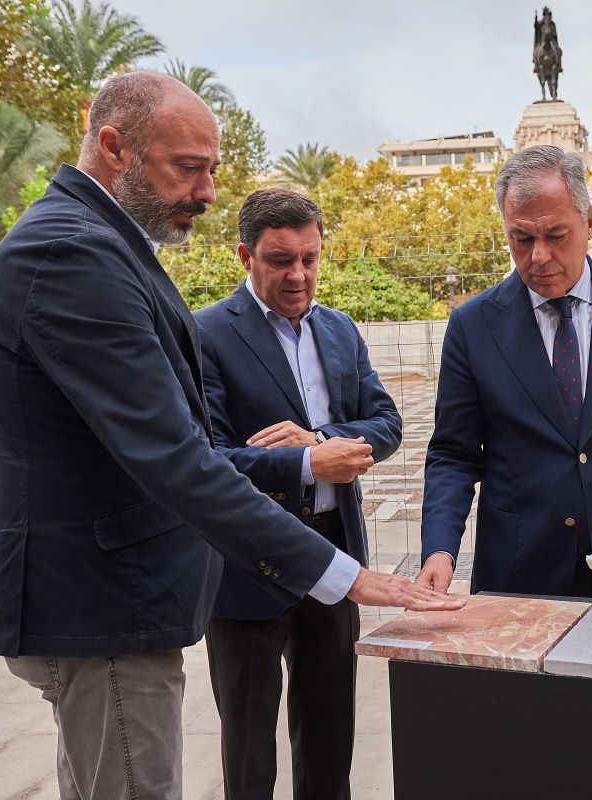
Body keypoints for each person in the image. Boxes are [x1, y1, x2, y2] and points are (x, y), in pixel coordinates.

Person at [0, 72, 461, 800]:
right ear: (113, 147)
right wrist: (347, 574)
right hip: (102, 609)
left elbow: (375, 420)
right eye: (187, 169)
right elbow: (178, 458)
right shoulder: (73, 255)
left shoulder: (98, 243)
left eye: (211, 171)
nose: (204, 192)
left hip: (112, 604)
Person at [417, 144, 592, 603]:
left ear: (589, 221)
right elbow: (454, 454)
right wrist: (439, 550)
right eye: (522, 239)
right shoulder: (473, 326)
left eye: (556, 235)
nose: (539, 257)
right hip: (518, 571)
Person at [194, 188, 399, 800]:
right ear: (244, 256)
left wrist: (321, 438)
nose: (299, 275)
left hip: (335, 560)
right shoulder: (203, 334)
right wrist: (306, 463)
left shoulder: (339, 330)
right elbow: (204, 460)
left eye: (309, 258)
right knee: (249, 752)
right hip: (246, 567)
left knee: (331, 739)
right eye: (281, 260)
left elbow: (386, 423)